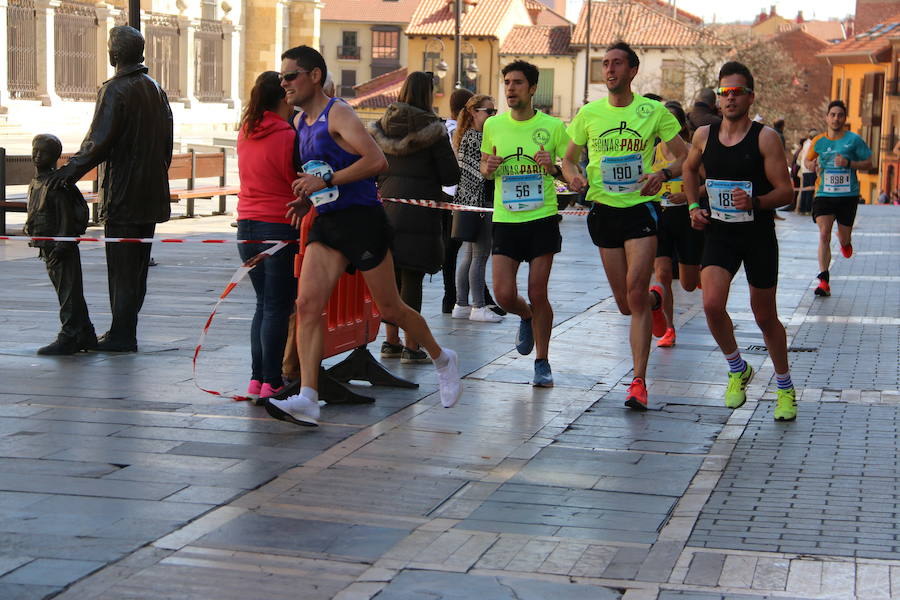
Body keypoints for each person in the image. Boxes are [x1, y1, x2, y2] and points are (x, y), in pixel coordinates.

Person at [266, 46, 461, 427]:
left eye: (291, 76)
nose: (284, 83)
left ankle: (442, 357)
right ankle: (308, 396)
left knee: (390, 309)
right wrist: (309, 198)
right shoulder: (299, 123)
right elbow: (322, 172)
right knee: (307, 305)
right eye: (281, 78)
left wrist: (325, 180)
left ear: (315, 76)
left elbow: (377, 162)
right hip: (328, 222)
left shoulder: (337, 112)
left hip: (363, 221)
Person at [562, 41, 687, 410]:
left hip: (641, 210)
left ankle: (638, 382)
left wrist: (662, 173)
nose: (610, 70)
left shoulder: (654, 112)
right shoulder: (588, 114)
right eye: (605, 64)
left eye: (617, 64)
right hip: (603, 212)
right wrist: (573, 177)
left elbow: (687, 156)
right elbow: (566, 160)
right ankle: (655, 300)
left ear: (632, 71)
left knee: (634, 286)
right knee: (626, 303)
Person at [47, 25, 173, 352]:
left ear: (114, 54)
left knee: (122, 269)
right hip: (151, 194)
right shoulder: (156, 89)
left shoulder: (116, 90)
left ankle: (122, 335)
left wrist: (68, 173)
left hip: (125, 195)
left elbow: (98, 142)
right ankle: (124, 329)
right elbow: (167, 144)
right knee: (137, 269)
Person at [683, 61, 797, 421]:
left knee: (765, 317)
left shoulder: (765, 138)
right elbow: (688, 169)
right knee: (712, 305)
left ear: (750, 97)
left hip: (757, 236)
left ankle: (785, 388)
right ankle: (737, 368)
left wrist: (758, 202)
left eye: (737, 92)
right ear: (717, 98)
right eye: (724, 92)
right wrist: (691, 207)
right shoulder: (703, 135)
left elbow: (787, 192)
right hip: (720, 233)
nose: (730, 99)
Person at [481, 61, 569, 387]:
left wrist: (555, 167)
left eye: (517, 83)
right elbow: (484, 167)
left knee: (537, 289)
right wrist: (488, 167)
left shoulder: (554, 127)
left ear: (532, 88)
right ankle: (526, 315)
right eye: (506, 82)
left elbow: (571, 168)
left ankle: (542, 361)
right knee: (504, 294)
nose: (510, 88)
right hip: (506, 218)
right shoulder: (493, 125)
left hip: (542, 217)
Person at [369, 71, 460, 363]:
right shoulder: (433, 129)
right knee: (413, 278)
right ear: (427, 94)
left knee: (391, 277)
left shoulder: (381, 127)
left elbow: (373, 168)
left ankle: (390, 342)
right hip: (420, 212)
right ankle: (412, 345)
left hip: (386, 209)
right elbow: (450, 174)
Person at [235, 71, 301, 403]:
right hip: (278, 226)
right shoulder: (289, 135)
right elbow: (296, 179)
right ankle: (272, 380)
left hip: (246, 227)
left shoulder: (246, 131)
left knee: (263, 304)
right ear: (283, 96)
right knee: (278, 306)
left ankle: (256, 379)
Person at [24, 134, 97, 355]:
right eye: (35, 150)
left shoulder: (55, 184)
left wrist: (63, 243)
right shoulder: (36, 182)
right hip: (47, 246)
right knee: (67, 289)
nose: (37, 155)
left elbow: (66, 216)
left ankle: (70, 335)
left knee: (68, 291)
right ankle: (84, 332)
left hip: (60, 248)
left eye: (43, 151)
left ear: (55, 156)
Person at [805, 100, 873, 297]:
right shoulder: (819, 141)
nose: (836, 118)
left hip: (847, 196)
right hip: (824, 194)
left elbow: (869, 163)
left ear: (845, 119)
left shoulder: (854, 140)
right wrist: (812, 165)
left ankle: (845, 242)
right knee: (824, 234)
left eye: (840, 115)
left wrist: (849, 163)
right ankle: (824, 281)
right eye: (832, 114)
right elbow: (808, 161)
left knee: (843, 237)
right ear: (827, 118)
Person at [652, 101, 704, 348]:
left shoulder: (691, 151)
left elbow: (709, 182)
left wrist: (688, 196)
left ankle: (702, 273)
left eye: (671, 122)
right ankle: (669, 328)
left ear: (681, 126)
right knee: (661, 274)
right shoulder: (651, 152)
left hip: (686, 218)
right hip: (660, 218)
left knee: (688, 284)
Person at [452, 94, 502, 323]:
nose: (493, 115)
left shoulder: (465, 136)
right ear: (474, 112)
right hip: (479, 202)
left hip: (467, 201)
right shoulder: (477, 138)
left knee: (469, 255)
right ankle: (478, 307)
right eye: (489, 111)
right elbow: (484, 174)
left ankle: (461, 304)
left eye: (494, 111)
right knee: (480, 255)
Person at [797, 128, 817, 215]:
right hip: (810, 169)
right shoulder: (812, 144)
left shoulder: (805, 143)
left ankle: (802, 209)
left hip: (805, 170)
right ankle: (807, 209)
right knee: (809, 190)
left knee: (805, 190)